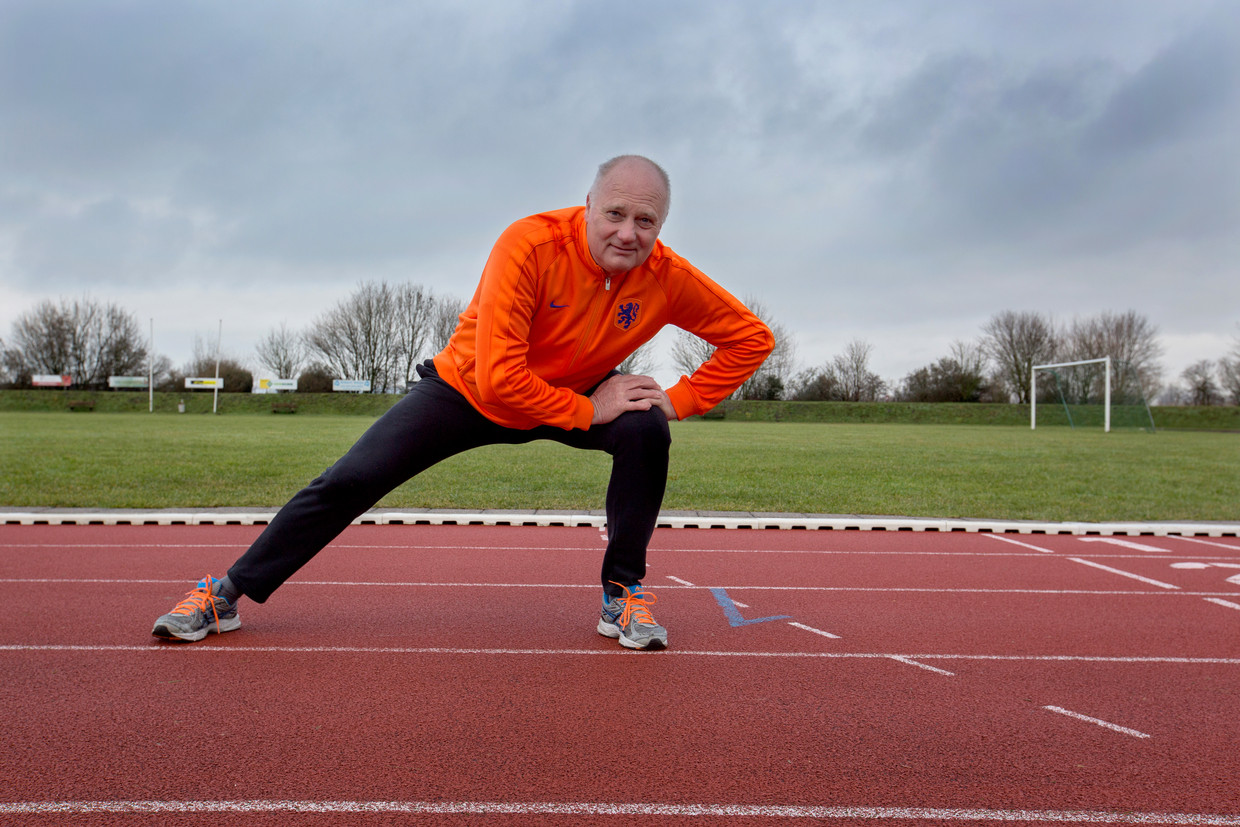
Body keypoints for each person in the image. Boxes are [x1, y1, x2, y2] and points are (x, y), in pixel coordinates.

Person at [152, 155, 774, 651]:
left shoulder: (665, 275)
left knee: (645, 431)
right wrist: (589, 411)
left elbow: (752, 337)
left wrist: (679, 400)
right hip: (472, 389)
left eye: (647, 222)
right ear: (587, 205)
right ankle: (225, 593)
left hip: (577, 389)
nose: (628, 233)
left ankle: (623, 594)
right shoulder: (529, 246)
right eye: (615, 213)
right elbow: (502, 379)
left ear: (662, 226)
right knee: (351, 478)